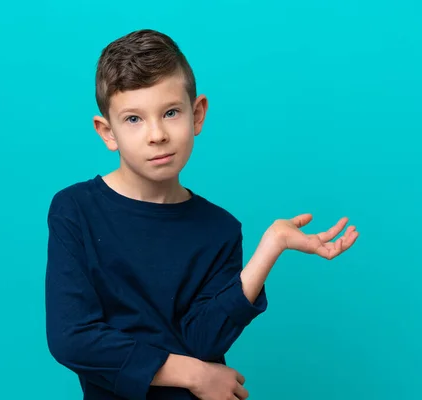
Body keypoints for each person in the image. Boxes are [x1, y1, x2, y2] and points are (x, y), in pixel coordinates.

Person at [45, 29, 359, 400]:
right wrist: (194, 374)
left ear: (197, 115)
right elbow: (72, 337)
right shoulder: (75, 210)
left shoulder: (219, 229)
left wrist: (269, 249)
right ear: (106, 131)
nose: (157, 134)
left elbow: (203, 338)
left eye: (171, 113)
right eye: (134, 119)